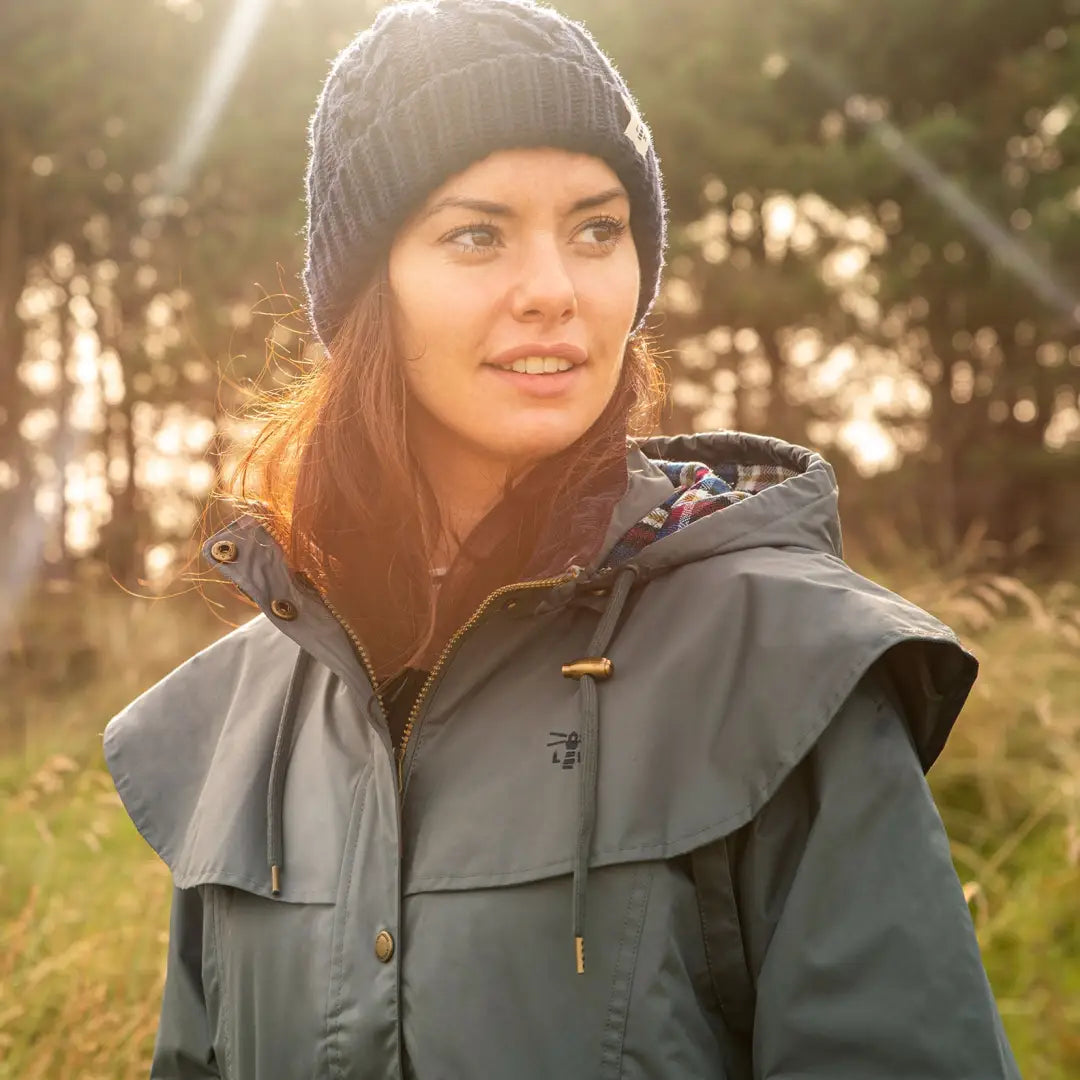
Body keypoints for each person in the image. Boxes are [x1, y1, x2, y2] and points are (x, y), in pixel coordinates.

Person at [103, 1, 1022, 1077]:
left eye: (597, 228)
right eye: (476, 234)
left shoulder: (784, 664)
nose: (556, 292)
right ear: (368, 292)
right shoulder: (233, 727)